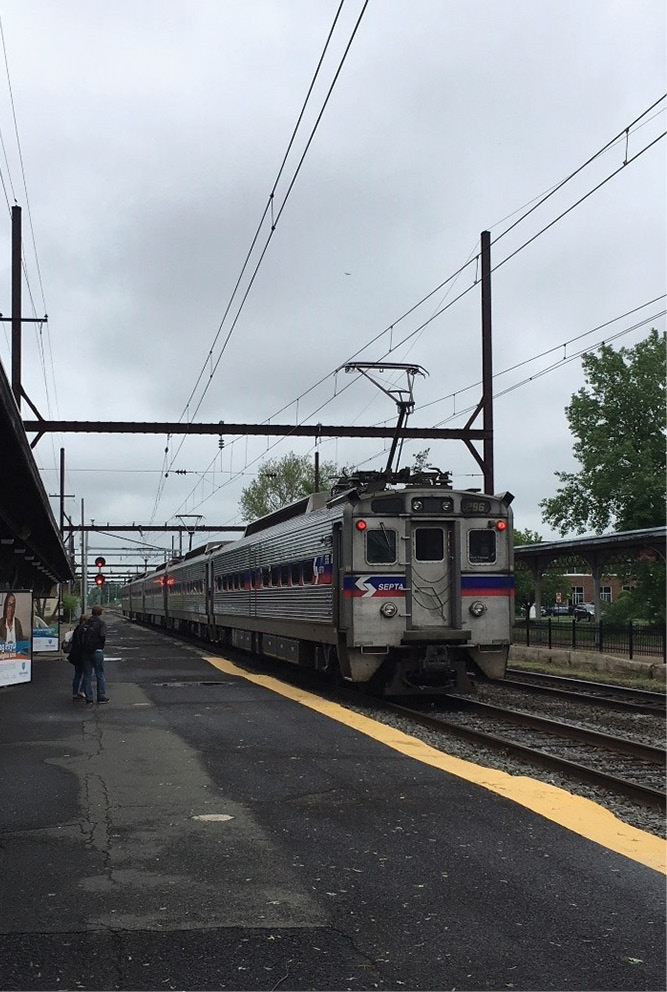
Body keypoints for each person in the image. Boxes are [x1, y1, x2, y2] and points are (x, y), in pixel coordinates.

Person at [81, 605, 109, 705]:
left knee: (87, 675)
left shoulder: (86, 623)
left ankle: (89, 699)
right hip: (97, 651)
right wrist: (100, 645)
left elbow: (81, 636)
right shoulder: (102, 624)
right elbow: (102, 636)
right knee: (99, 674)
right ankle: (101, 696)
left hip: (86, 652)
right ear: (100, 613)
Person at [67, 614, 89, 701]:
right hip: (82, 655)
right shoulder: (84, 630)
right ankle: (81, 690)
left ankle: (75, 692)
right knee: (87, 674)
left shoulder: (77, 629)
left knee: (78, 674)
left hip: (76, 655)